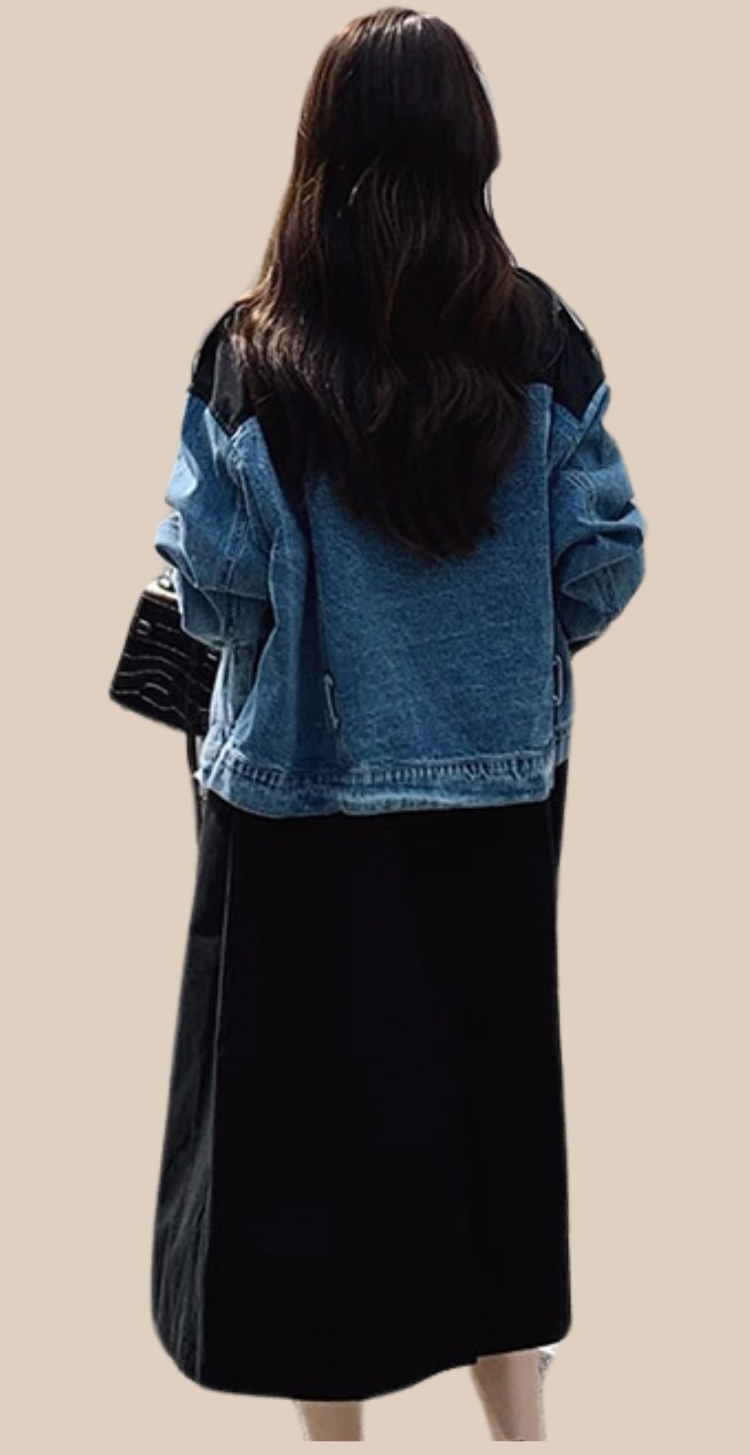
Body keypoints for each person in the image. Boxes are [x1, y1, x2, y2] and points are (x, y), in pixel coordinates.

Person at [147, 6, 647, 1441]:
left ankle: (339, 1438)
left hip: (293, 803)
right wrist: (493, 667)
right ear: (470, 145)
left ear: (319, 148)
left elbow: (214, 589)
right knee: (490, 1109)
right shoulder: (539, 333)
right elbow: (602, 560)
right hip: (500, 796)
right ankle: (519, 1426)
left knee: (312, 1144)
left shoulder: (252, 348)